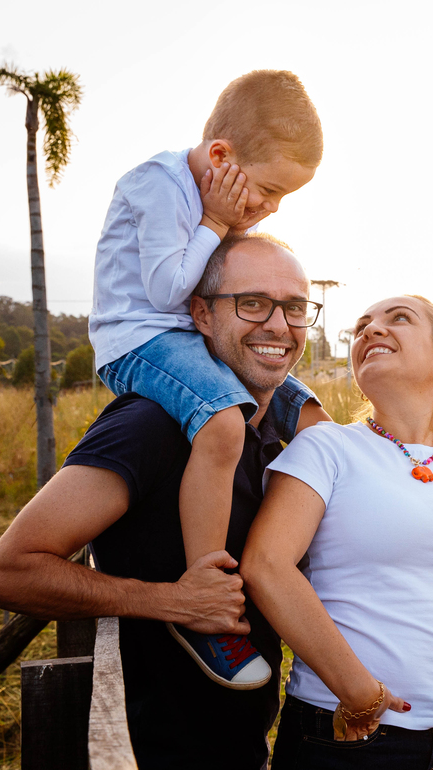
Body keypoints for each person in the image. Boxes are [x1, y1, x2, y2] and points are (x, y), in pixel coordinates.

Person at [0, 233, 314, 769]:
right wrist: (171, 603)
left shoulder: (278, 434)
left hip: (245, 745)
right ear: (200, 314)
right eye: (252, 303)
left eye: (295, 307)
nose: (278, 325)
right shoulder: (149, 424)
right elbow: (6, 573)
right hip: (151, 751)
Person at [88, 69, 331, 687]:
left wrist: (230, 225)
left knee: (315, 423)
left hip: (192, 335)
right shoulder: (158, 184)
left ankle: (324, 575)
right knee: (224, 422)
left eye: (283, 200)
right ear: (221, 155)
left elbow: (223, 274)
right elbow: (170, 288)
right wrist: (221, 220)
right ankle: (207, 599)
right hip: (140, 336)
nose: (269, 208)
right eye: (269, 190)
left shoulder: (218, 196)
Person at [241, 295, 433, 769]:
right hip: (348, 734)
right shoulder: (326, 447)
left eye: (398, 319)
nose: (371, 330)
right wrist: (360, 691)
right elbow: (266, 568)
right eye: (362, 326)